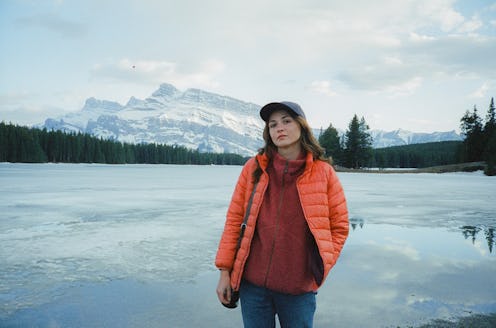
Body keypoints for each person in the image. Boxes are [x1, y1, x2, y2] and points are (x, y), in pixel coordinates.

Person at [215, 101, 349, 328]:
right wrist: (225, 272)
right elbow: (234, 220)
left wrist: (321, 264)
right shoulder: (254, 168)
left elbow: (340, 226)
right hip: (253, 286)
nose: (279, 128)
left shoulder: (322, 173)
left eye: (287, 121)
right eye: (273, 124)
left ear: (302, 126)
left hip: (298, 289)